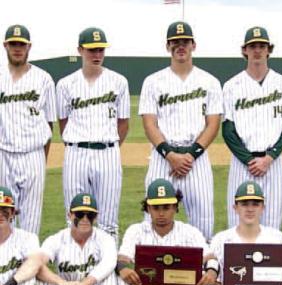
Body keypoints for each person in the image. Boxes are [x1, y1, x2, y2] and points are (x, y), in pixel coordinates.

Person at [139, 21, 222, 241]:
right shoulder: (153, 81)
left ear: (193, 45)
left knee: (203, 221)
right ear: (168, 46)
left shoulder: (210, 82)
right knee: (151, 222)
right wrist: (171, 155)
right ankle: (153, 271)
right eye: (175, 42)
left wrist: (190, 156)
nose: (180, 46)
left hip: (197, 159)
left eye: (185, 41)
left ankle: (204, 272)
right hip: (162, 158)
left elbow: (213, 124)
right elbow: (149, 124)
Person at [57, 26, 130, 239]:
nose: (97, 55)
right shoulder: (65, 84)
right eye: (91, 50)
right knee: (73, 215)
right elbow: (63, 122)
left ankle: (107, 270)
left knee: (108, 219)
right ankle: (72, 268)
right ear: (80, 50)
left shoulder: (119, 81)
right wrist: (76, 142)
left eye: (100, 49)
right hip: (76, 152)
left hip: (107, 152)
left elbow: (123, 123)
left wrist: (110, 146)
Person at [222, 27, 282, 230]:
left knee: (272, 225)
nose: (257, 50)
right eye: (252, 46)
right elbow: (228, 130)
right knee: (237, 224)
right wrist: (248, 160)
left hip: (272, 162)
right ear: (244, 50)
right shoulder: (231, 86)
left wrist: (269, 158)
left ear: (269, 49)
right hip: (241, 164)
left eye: (262, 46)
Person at [116, 178, 217, 285]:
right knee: (123, 276)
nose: (161, 213)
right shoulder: (136, 230)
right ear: (148, 208)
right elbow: (122, 258)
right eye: (156, 208)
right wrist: (123, 268)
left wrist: (212, 272)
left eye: (166, 207)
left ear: (175, 207)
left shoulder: (189, 231)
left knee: (201, 274)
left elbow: (209, 257)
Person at [6, 193, 118, 285]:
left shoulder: (105, 239)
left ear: (96, 217)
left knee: (109, 275)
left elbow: (109, 263)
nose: (85, 219)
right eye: (80, 214)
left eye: (90, 215)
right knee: (40, 277)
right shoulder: (56, 239)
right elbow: (36, 262)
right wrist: (61, 283)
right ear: (69, 215)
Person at [0, 24, 56, 234]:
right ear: (5, 45)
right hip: (3, 154)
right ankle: (7, 263)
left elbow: (49, 123)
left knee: (31, 219)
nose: (17, 48)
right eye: (13, 44)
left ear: (29, 47)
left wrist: (42, 158)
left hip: (33, 154)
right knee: (4, 215)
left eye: (21, 44)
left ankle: (30, 264)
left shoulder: (43, 79)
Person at [0, 186, 39, 285]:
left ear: (12, 213)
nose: (0, 214)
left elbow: (34, 265)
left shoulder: (28, 238)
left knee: (32, 278)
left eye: (4, 210)